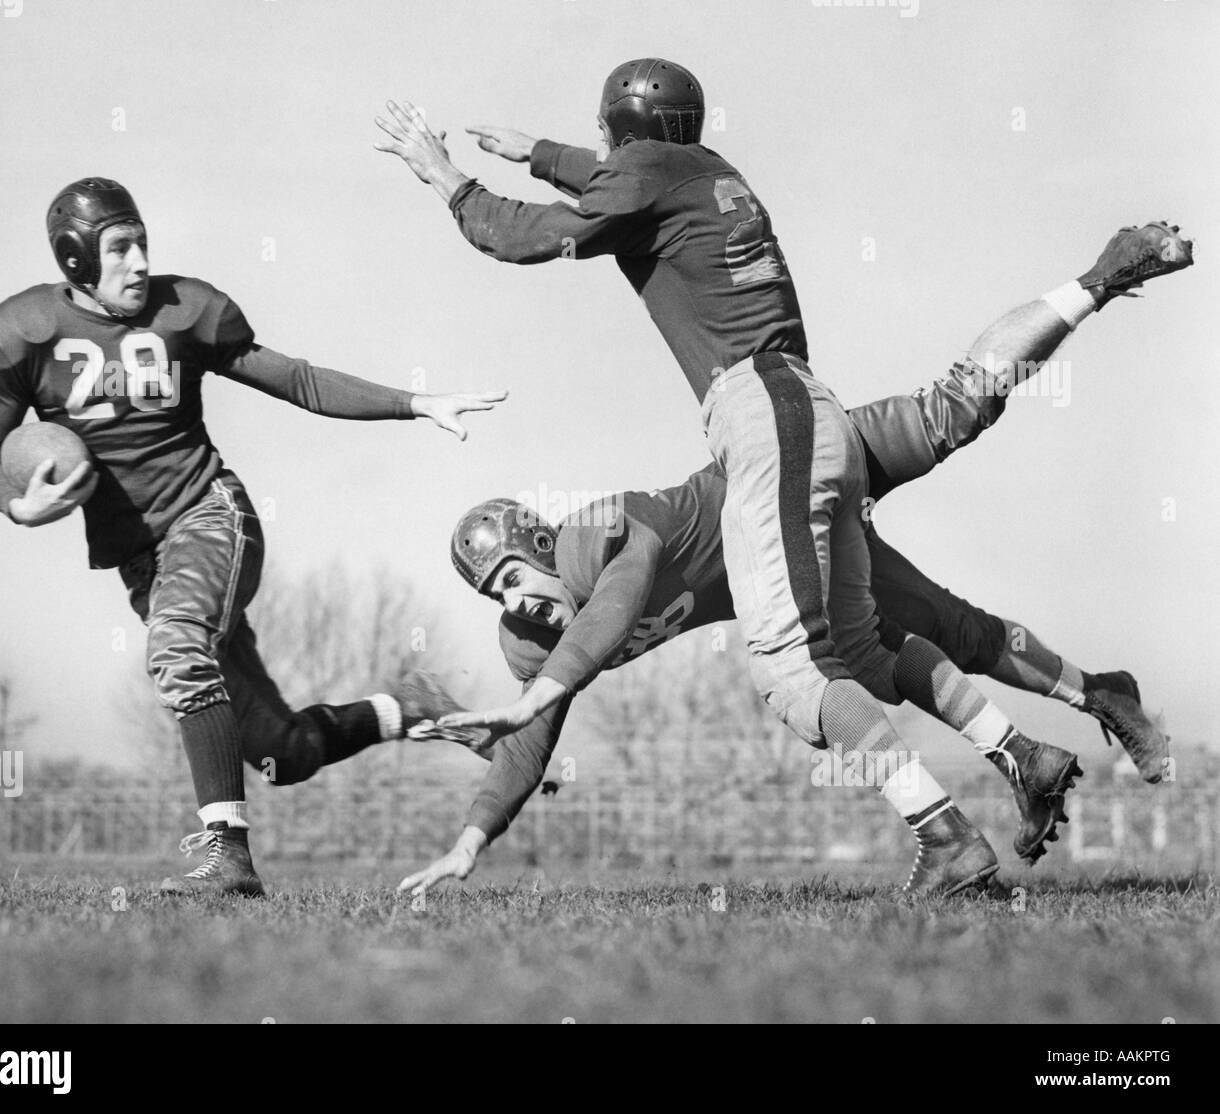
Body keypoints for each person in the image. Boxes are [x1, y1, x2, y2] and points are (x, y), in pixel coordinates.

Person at [374, 60, 1191, 885]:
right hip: (799, 422)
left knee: (794, 674)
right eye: (495, 595)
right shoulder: (699, 170)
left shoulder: (586, 546)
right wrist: (470, 840)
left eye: (509, 575)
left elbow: (523, 235)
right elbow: (527, 745)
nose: (511, 601)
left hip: (766, 438)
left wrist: (447, 180)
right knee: (887, 629)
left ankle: (948, 841)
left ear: (539, 539)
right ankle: (1026, 749)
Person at [0, 178, 506, 896]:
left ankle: (229, 859)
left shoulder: (185, 310)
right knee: (283, 752)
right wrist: (15, 504)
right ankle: (411, 709)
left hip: (210, 517)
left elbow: (297, 381)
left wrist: (415, 402)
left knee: (178, 648)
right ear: (74, 259)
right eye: (119, 249)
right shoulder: (20, 334)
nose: (138, 263)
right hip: (143, 560)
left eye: (142, 243)